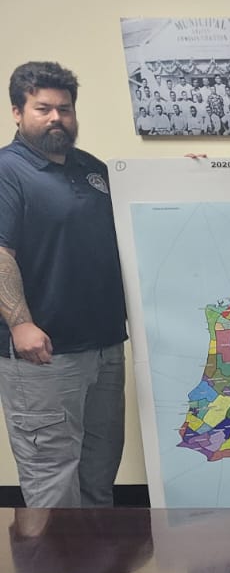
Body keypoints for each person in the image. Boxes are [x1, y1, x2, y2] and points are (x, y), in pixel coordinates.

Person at [0, 61, 127, 507]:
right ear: (17, 112)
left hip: (105, 346)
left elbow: (136, 218)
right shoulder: (7, 171)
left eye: (65, 109)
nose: (57, 118)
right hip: (44, 355)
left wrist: (192, 173)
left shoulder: (91, 168)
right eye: (43, 108)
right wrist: (20, 324)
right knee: (52, 478)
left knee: (100, 469)